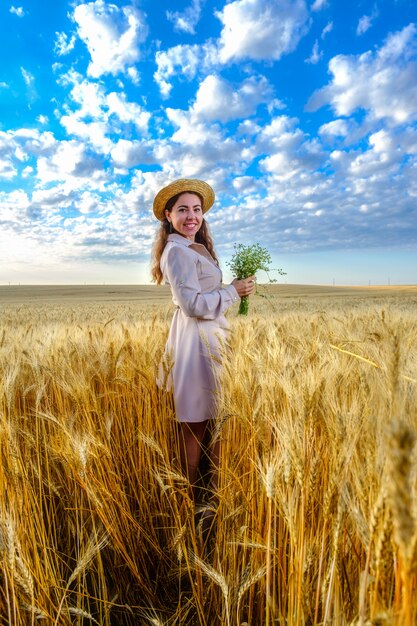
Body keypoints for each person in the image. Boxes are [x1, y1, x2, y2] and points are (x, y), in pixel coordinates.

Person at [150, 178, 255, 512]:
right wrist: (232, 292)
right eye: (183, 210)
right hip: (195, 344)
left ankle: (208, 497)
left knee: (212, 419)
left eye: (196, 209)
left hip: (211, 341)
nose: (191, 216)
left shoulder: (196, 248)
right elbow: (193, 305)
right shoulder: (177, 251)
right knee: (194, 423)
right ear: (168, 215)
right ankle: (186, 501)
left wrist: (235, 292)